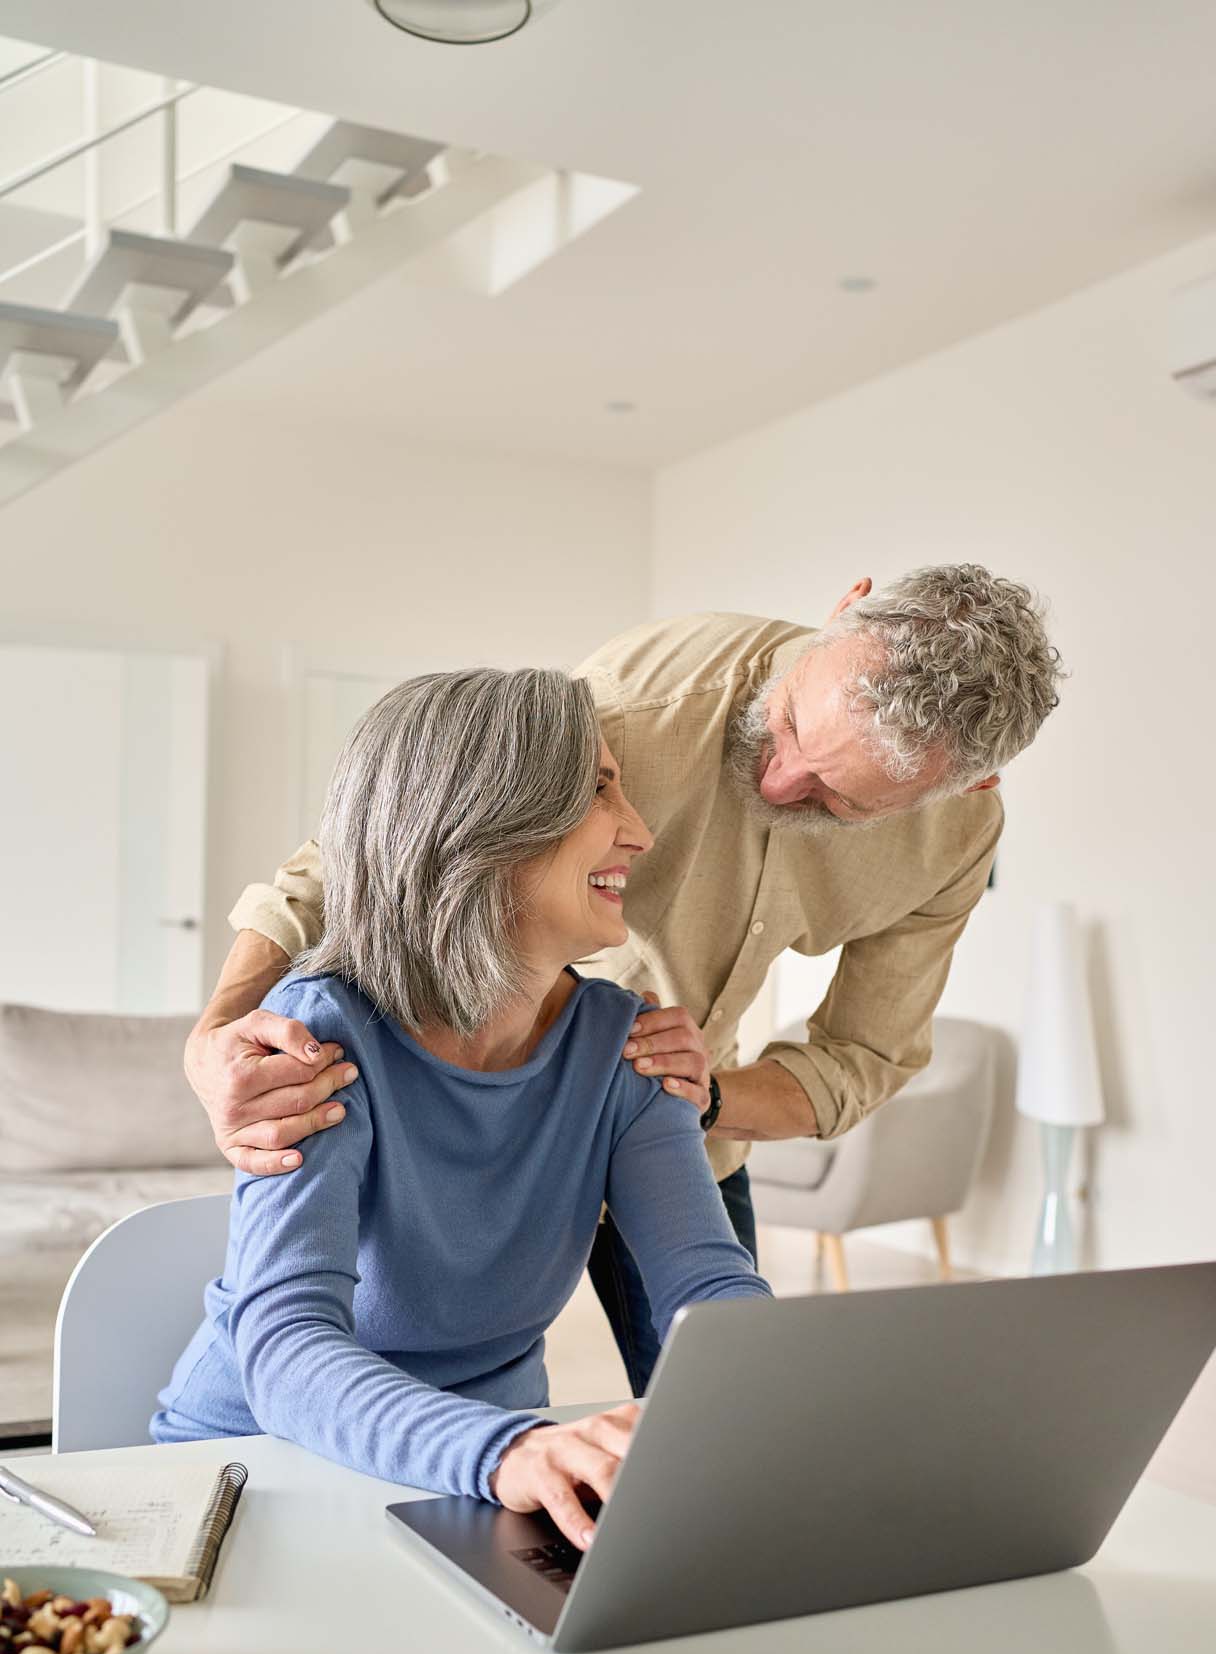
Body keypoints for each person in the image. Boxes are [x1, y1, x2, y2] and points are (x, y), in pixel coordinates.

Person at [185, 563, 1062, 1396]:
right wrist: (215, 1037)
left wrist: (702, 1096)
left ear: (967, 784)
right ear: (845, 608)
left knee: (716, 1423)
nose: (780, 776)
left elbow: (863, 1054)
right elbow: (374, 850)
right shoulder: (635, 707)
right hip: (494, 1101)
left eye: (841, 798)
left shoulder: (951, 844)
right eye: (792, 723)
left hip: (665, 1105)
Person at [154, 669, 770, 1549]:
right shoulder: (319, 1034)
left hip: (483, 1491)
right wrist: (507, 1448)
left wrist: (789, 1406)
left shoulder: (628, 1046)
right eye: (600, 791)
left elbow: (706, 1287)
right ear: (486, 823)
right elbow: (286, 1348)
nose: (639, 830)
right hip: (254, 1476)